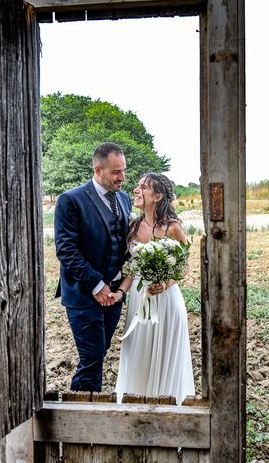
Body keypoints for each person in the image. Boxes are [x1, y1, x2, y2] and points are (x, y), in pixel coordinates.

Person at [111, 173, 195, 405]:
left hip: (166, 302)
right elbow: (131, 269)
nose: (136, 190)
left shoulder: (173, 228)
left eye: (143, 187)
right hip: (139, 300)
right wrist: (120, 292)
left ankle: (168, 408)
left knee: (166, 356)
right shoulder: (133, 226)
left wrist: (165, 283)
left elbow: (185, 265)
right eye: (137, 186)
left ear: (157, 196)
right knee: (138, 354)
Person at [54, 142, 131, 392]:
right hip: (83, 294)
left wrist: (119, 288)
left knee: (100, 353)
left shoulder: (124, 198)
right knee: (91, 359)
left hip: (114, 296)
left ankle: (87, 407)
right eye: (116, 172)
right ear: (98, 170)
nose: (122, 177)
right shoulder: (70, 200)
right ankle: (80, 415)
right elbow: (66, 250)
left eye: (124, 170)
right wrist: (97, 285)